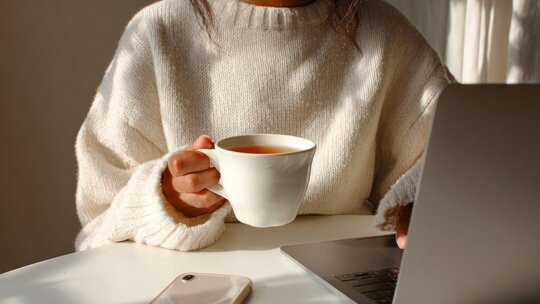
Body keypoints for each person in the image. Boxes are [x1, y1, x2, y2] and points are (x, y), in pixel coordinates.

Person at [75, 0, 453, 252]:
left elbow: (455, 158)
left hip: (343, 292)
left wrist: (424, 204)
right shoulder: (159, 34)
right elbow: (98, 224)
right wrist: (168, 202)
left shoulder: (385, 35)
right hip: (191, 293)